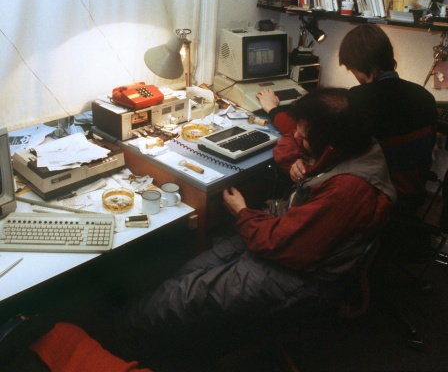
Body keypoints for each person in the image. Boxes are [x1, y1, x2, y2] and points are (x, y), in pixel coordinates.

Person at [101, 88, 396, 367]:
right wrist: (296, 154)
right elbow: (288, 143)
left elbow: (280, 244)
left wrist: (242, 212)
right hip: (286, 236)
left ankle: (116, 347)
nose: (296, 137)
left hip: (302, 278)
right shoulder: (357, 143)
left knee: (184, 296)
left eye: (304, 138)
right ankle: (150, 322)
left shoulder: (348, 189)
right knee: (188, 272)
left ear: (328, 146)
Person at [257, 24, 438, 214]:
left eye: (353, 69)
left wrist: (273, 110)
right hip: (413, 194)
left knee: (290, 154)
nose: (355, 76)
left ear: (363, 66)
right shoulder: (424, 96)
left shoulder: (358, 101)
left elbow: (305, 132)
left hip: (376, 197)